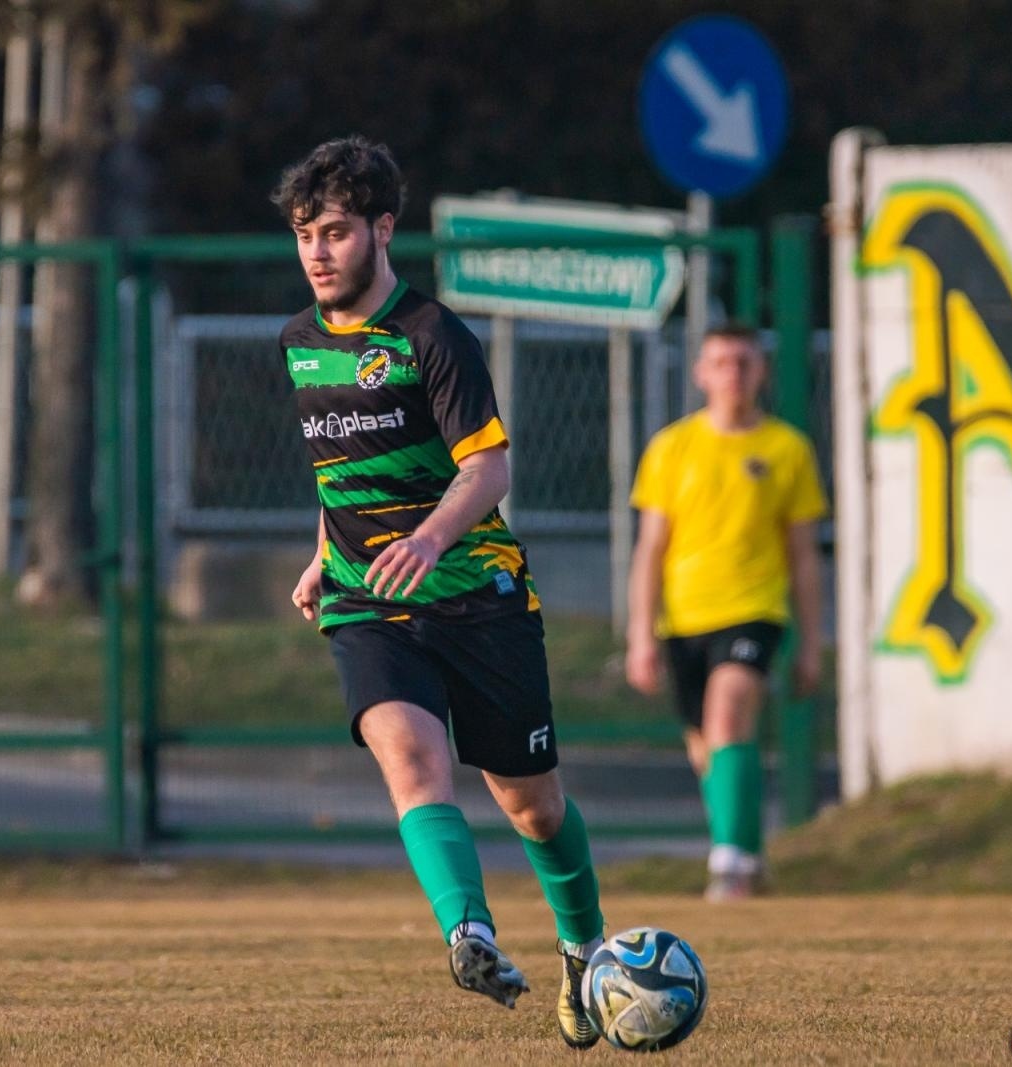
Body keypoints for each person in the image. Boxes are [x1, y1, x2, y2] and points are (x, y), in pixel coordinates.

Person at [274, 136, 607, 1048]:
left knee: (531, 804)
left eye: (336, 232)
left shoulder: (433, 336)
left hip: (476, 591)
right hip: (367, 598)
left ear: (383, 229)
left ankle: (584, 949)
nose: (317, 253)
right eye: (304, 234)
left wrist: (427, 538)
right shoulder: (298, 343)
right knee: (409, 758)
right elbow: (338, 472)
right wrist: (322, 555)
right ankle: (469, 933)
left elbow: (488, 468)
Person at [625, 325, 826, 901]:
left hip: (755, 610)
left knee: (729, 711)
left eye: (743, 362)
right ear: (700, 374)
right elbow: (651, 549)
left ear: (761, 372)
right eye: (721, 362)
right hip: (684, 619)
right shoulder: (672, 448)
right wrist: (641, 634)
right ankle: (749, 855)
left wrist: (811, 644)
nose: (733, 373)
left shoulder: (787, 449)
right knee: (706, 747)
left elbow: (804, 556)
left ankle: (730, 863)